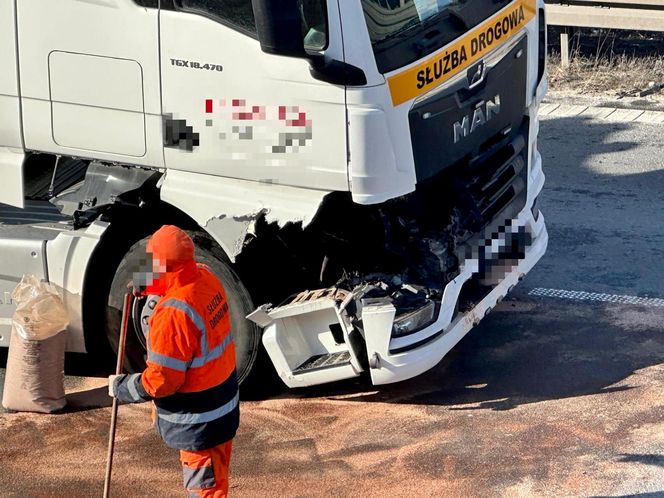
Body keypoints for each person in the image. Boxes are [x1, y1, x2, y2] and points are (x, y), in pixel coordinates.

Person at [108, 225, 239, 498]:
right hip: (220, 404)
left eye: (152, 260)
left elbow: (163, 381)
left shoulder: (172, 316)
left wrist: (123, 387)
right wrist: (146, 280)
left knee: (205, 490)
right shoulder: (205, 276)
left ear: (163, 264)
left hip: (199, 420)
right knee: (216, 480)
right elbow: (175, 277)